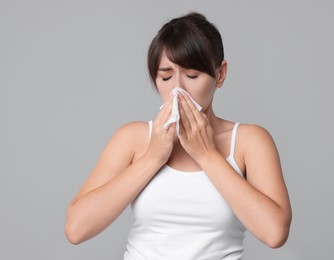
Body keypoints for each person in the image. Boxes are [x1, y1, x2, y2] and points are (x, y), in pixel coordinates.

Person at [65, 12, 292, 259]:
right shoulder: (133, 138)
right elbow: (76, 229)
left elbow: (275, 233)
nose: (178, 89)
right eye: (166, 76)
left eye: (192, 75)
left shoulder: (250, 141)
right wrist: (152, 159)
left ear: (221, 74)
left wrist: (207, 156)